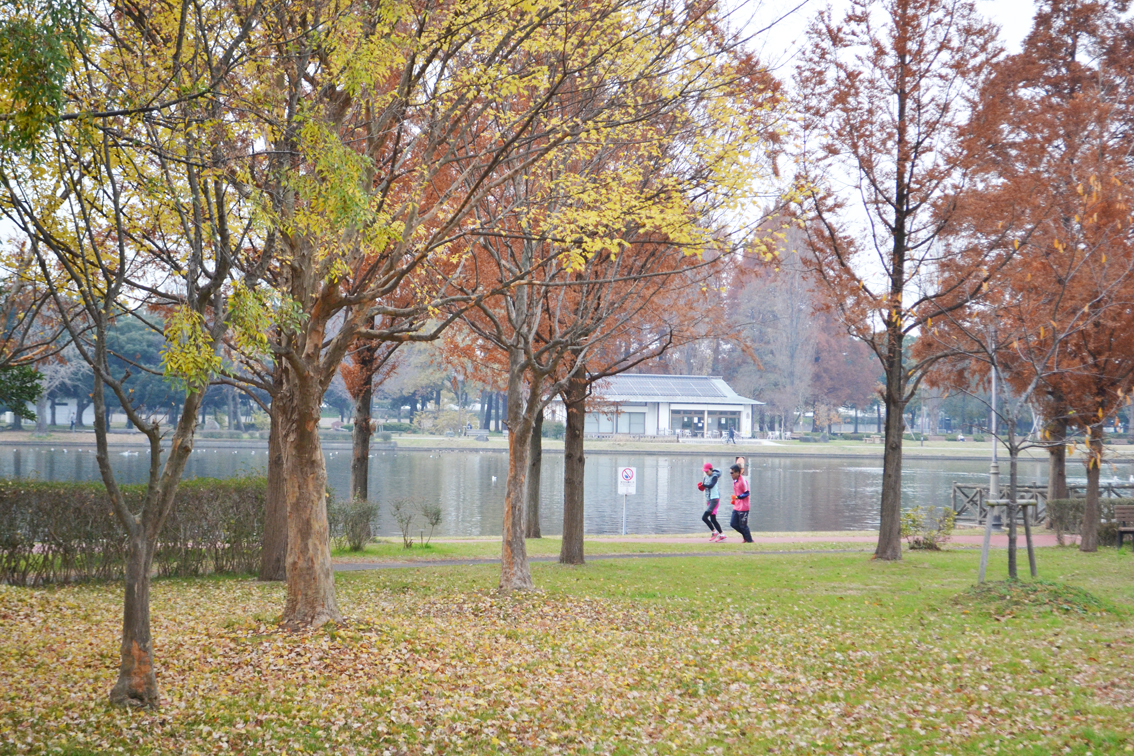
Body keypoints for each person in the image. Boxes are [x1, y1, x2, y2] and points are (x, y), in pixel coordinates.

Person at [698, 462, 725, 541]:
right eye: (705, 471)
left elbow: (711, 485)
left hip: (714, 499)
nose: (706, 472)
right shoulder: (706, 477)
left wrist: (703, 485)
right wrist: (700, 487)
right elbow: (705, 487)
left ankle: (715, 532)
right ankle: (722, 534)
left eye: (707, 471)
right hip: (709, 499)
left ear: (711, 469)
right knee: (713, 519)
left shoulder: (715, 476)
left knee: (704, 517)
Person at [729, 463, 753, 543]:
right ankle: (746, 537)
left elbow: (747, 493)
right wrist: (735, 500)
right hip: (736, 506)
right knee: (733, 524)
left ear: (737, 473)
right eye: (730, 473)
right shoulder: (734, 481)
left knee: (743, 525)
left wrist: (738, 497)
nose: (731, 475)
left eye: (732, 473)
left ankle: (749, 540)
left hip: (744, 507)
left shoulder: (743, 481)